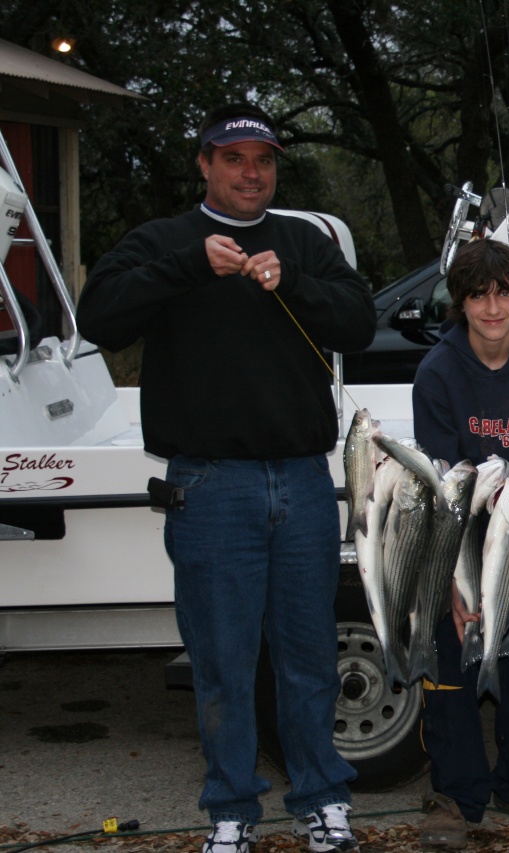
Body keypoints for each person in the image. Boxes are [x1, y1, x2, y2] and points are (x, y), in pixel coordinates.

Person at [76, 103, 375, 853]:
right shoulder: (164, 241)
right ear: (204, 164)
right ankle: (232, 812)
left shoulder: (302, 240)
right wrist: (188, 266)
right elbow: (98, 318)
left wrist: (294, 284)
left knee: (309, 656)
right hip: (209, 487)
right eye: (234, 158)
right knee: (222, 663)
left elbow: (359, 323)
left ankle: (322, 800)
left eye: (264, 159)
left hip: (303, 483)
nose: (252, 172)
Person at [411, 238, 509, 849]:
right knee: (453, 660)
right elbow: (447, 487)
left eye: (503, 292)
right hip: (461, 530)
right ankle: (454, 794)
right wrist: (456, 579)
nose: (492, 306)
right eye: (478, 294)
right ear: (460, 301)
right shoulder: (438, 372)